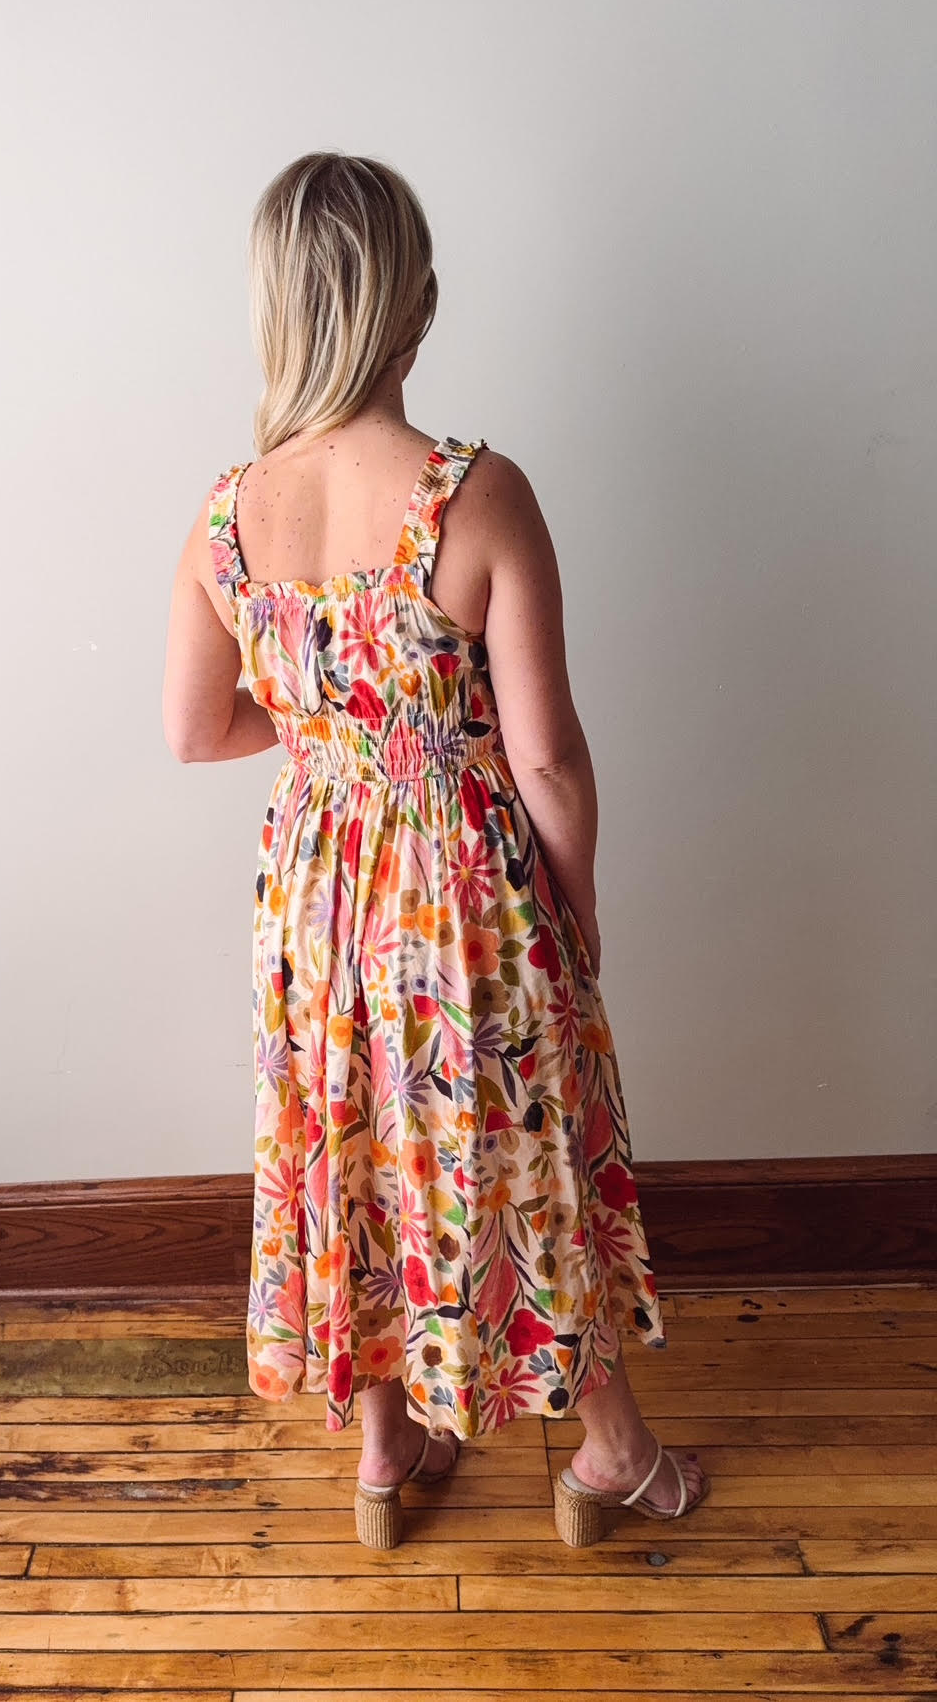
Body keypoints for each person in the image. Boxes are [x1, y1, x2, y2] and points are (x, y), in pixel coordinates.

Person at [162, 151, 709, 1549]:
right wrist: (575, 907)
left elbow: (197, 727)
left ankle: (388, 1451)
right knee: (523, 1148)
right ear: (413, 303)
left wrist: (341, 741)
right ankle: (611, 1454)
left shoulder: (225, 520)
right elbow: (547, 758)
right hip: (464, 895)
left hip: (316, 898)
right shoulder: (477, 492)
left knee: (350, 1138)